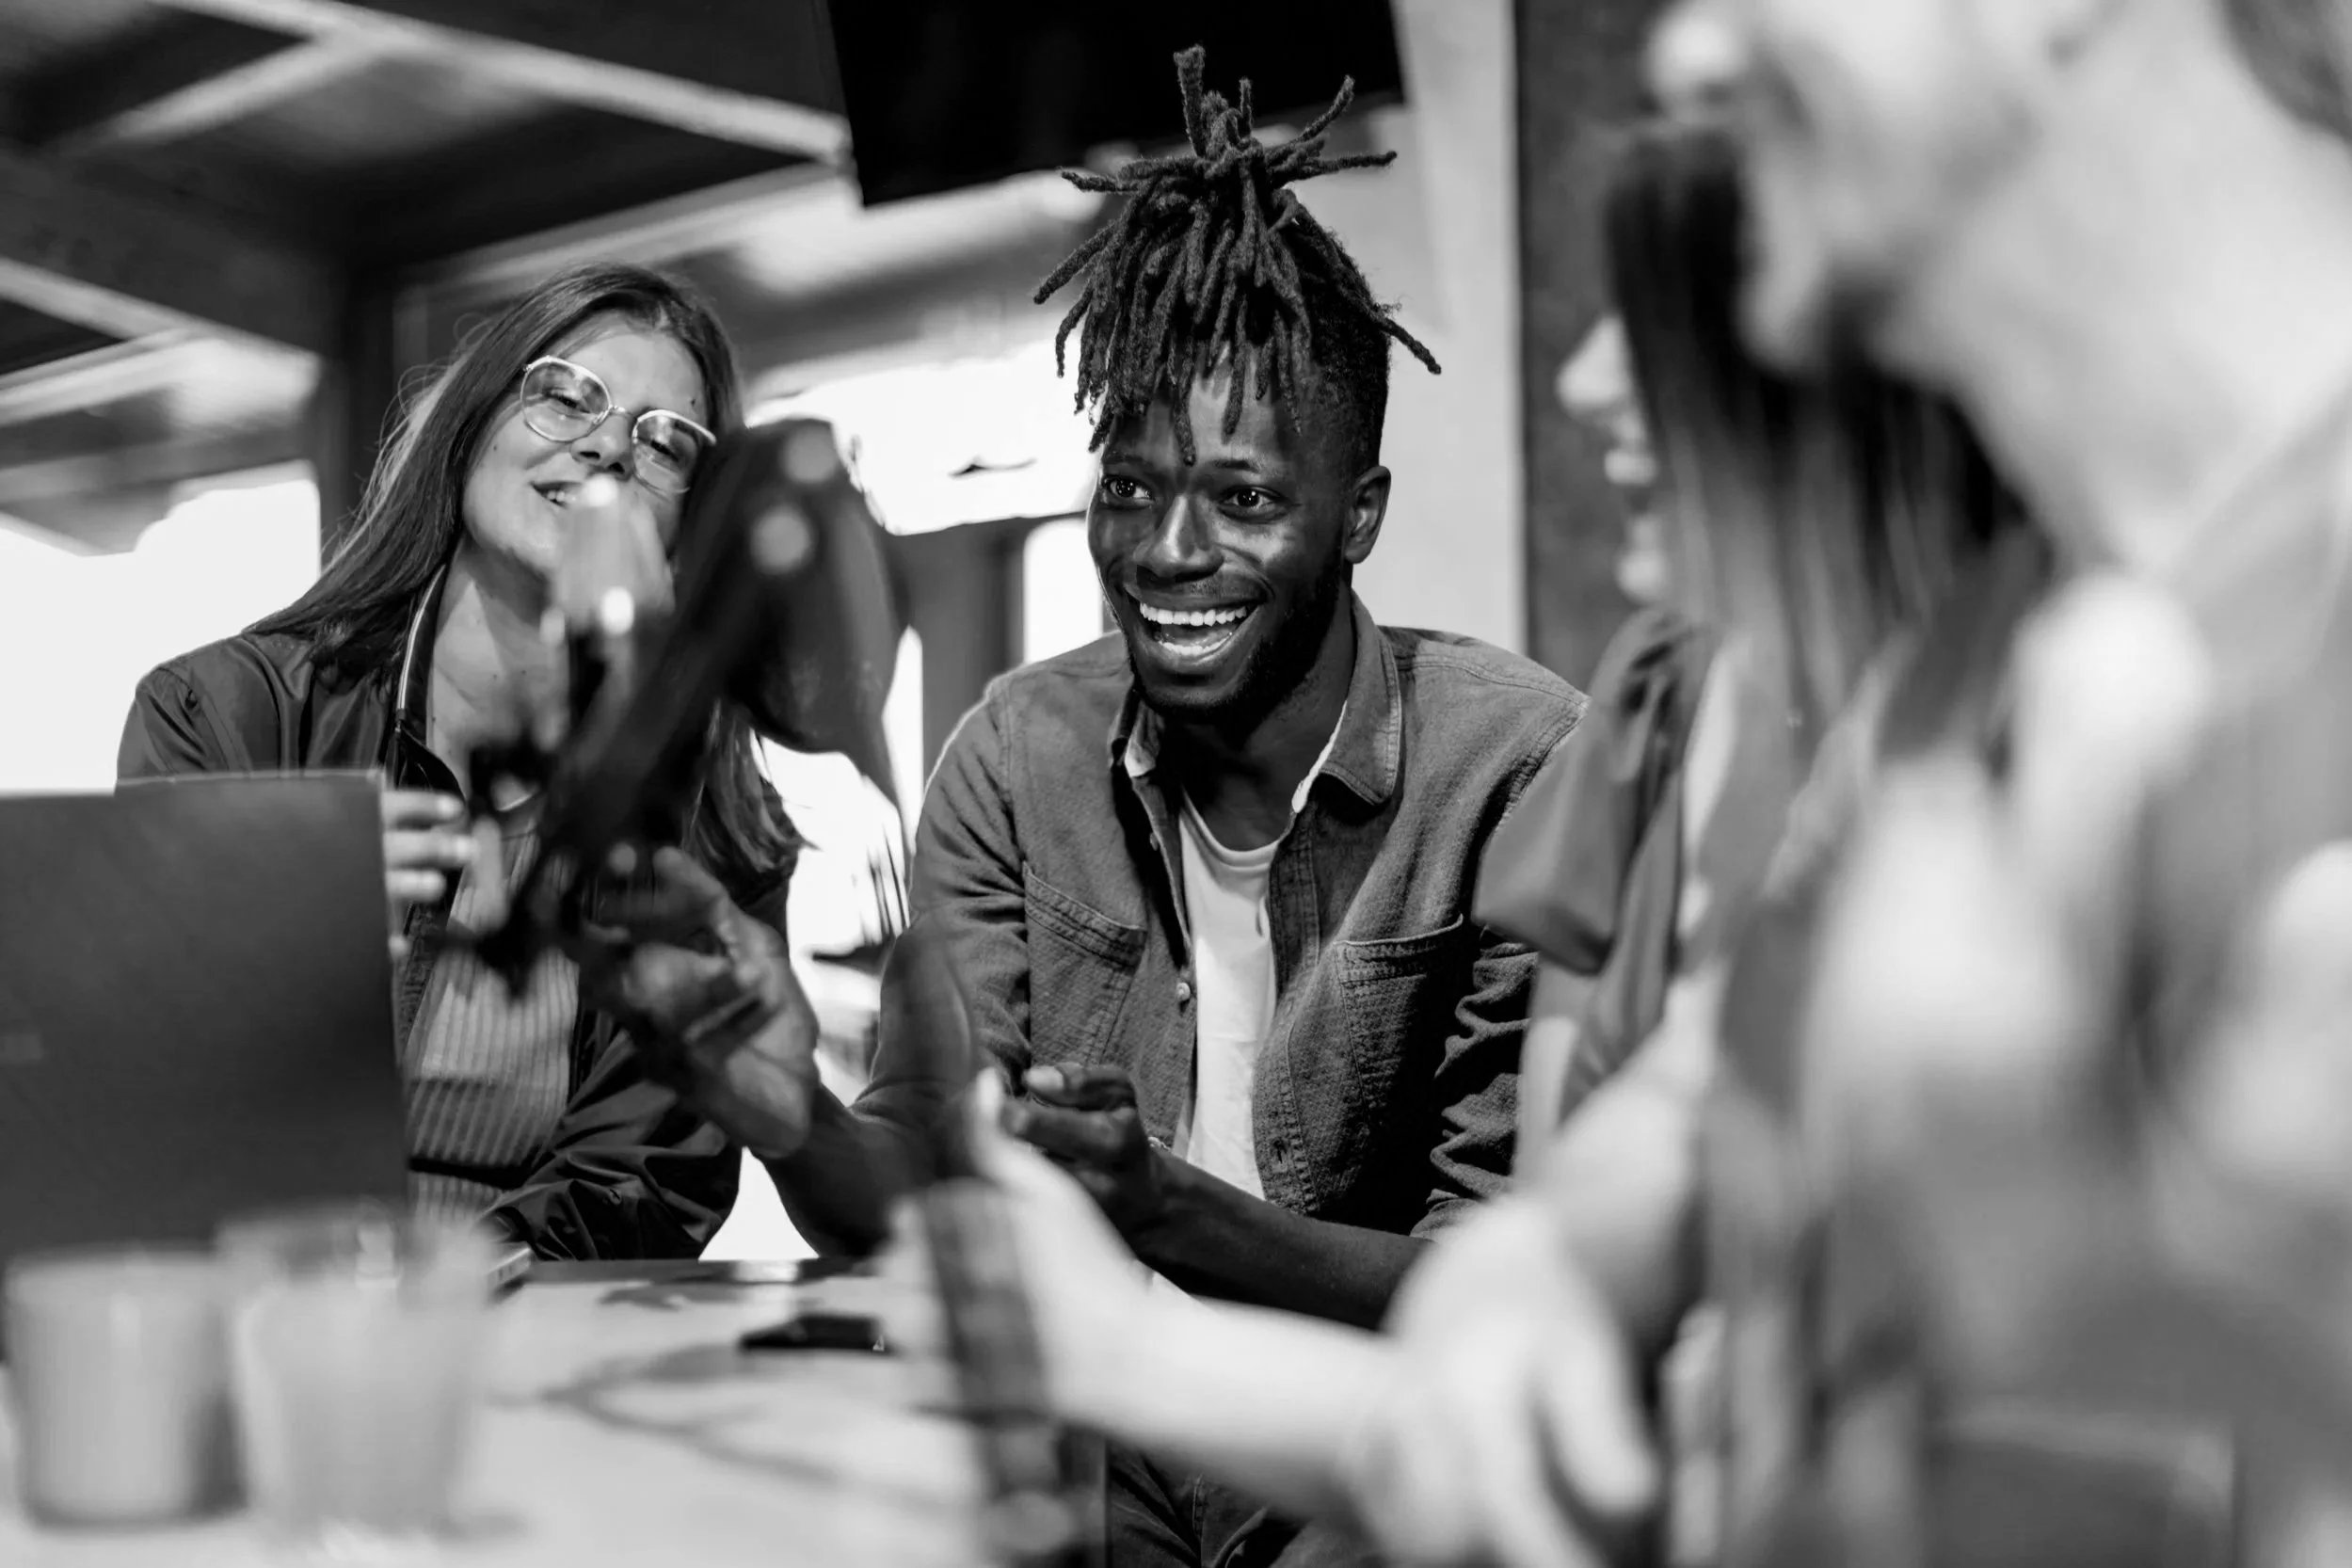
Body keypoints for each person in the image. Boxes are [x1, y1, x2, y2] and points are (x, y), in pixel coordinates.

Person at [573, 47, 1584, 1568]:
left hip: (1365, 1484)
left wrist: (1161, 1212)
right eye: (1131, 486)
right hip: (1079, 1479)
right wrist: (784, 1115)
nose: (1168, 550)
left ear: (1356, 515)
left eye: (1243, 498)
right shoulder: (1018, 753)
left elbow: (1506, 1298)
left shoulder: (1510, 768)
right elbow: (918, 1191)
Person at [119, 262, 809, 1263]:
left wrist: (431, 1294)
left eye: (667, 443)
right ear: (473, 423)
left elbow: (644, 1192)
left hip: (536, 1333)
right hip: (244, 1304)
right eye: (567, 393)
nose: (608, 443)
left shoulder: (722, 831)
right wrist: (289, 938)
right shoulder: (222, 718)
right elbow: (131, 1076)